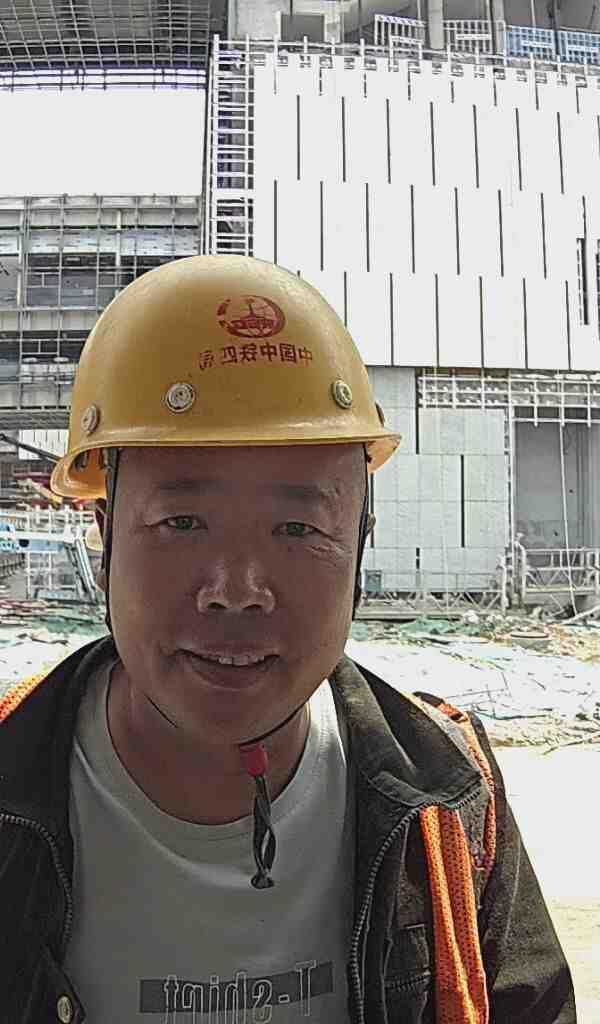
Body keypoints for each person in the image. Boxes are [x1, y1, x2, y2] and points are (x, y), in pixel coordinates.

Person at [0, 256, 575, 1024]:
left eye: (298, 528)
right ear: (105, 537)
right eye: (182, 523)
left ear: (361, 544)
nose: (237, 588)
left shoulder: (451, 797)